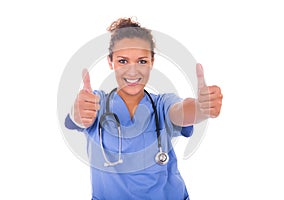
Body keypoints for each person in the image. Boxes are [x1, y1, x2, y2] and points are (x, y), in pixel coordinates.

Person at [65, 17, 223, 200]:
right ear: (111, 62)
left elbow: (182, 111)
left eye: (141, 61)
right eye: (123, 61)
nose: (133, 72)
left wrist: (201, 108)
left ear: (152, 62)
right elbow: (74, 118)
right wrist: (78, 113)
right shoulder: (96, 103)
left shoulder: (162, 104)